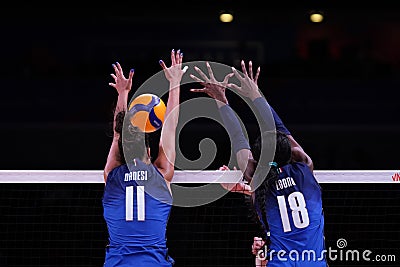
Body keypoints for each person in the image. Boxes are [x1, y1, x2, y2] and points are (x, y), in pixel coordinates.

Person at [190, 60, 328, 267]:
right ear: (290, 151)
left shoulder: (257, 178)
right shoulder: (304, 167)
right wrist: (255, 95)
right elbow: (278, 127)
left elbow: (238, 138)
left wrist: (221, 99)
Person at [102, 49, 187, 267]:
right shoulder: (161, 175)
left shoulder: (112, 175)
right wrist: (174, 83)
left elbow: (117, 136)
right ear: (149, 152)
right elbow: (170, 127)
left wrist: (122, 93)